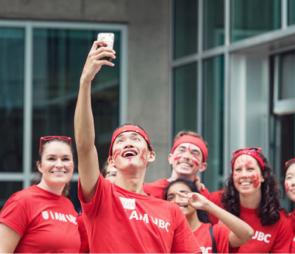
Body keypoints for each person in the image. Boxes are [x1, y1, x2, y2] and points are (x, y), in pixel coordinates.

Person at [74, 40, 200, 252]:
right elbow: (85, 146)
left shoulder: (170, 211)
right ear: (112, 160)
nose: (128, 142)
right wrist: (85, 81)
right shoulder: (101, 196)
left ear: (151, 155)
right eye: (120, 141)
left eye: (135, 138)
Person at [0, 136, 81, 253]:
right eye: (51, 158)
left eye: (65, 159)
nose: (59, 164)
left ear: (73, 165)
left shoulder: (69, 206)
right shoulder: (22, 201)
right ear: (40, 166)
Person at [209, 147, 292, 253]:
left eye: (250, 169)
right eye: (238, 170)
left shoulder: (280, 220)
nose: (244, 175)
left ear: (263, 177)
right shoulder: (217, 201)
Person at [165, 178, 254, 254]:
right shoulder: (165, 235)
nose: (176, 200)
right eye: (170, 197)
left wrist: (206, 205)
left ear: (196, 197)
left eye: (183, 194)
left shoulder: (215, 233)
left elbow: (247, 233)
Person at [144, 131, 210, 199]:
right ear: (170, 158)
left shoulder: (205, 197)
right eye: (181, 150)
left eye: (194, 153)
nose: (186, 156)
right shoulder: (147, 191)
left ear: (202, 166)